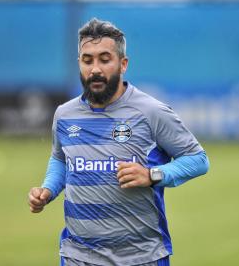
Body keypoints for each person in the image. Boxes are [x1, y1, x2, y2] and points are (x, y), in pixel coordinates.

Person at [28, 18, 209, 266]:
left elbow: (198, 160)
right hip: (77, 256)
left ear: (123, 64)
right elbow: (60, 159)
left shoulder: (150, 111)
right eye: (87, 60)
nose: (95, 69)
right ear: (79, 64)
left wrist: (152, 175)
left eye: (105, 59)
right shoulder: (64, 115)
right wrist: (47, 190)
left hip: (141, 257)